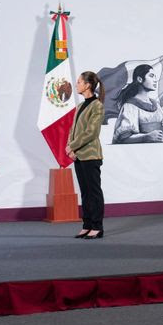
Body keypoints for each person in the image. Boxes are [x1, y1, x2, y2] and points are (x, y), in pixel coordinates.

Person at [66, 71, 106, 240]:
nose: (76, 85)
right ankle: (87, 225)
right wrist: (70, 148)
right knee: (85, 192)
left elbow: (91, 132)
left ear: (88, 85)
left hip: (91, 155)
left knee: (94, 192)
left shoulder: (97, 106)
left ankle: (97, 227)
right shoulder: (80, 106)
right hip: (79, 155)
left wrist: (72, 146)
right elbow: (73, 129)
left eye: (79, 82)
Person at [112, 64, 163, 143]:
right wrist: (145, 137)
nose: (155, 80)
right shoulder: (130, 106)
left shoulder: (155, 105)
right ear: (140, 79)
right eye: (151, 76)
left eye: (155, 77)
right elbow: (123, 138)